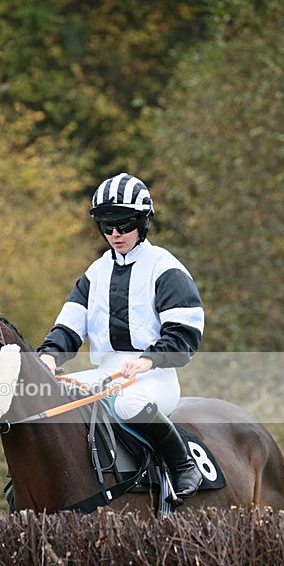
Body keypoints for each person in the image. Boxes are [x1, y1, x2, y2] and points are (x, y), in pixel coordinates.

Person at [38, 172, 204, 503]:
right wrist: (50, 355)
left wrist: (148, 359)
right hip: (107, 372)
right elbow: (69, 326)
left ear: (143, 223)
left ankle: (184, 466)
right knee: (47, 398)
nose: (115, 234)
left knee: (130, 405)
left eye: (124, 225)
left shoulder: (165, 269)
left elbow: (185, 332)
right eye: (106, 226)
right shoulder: (94, 273)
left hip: (153, 374)